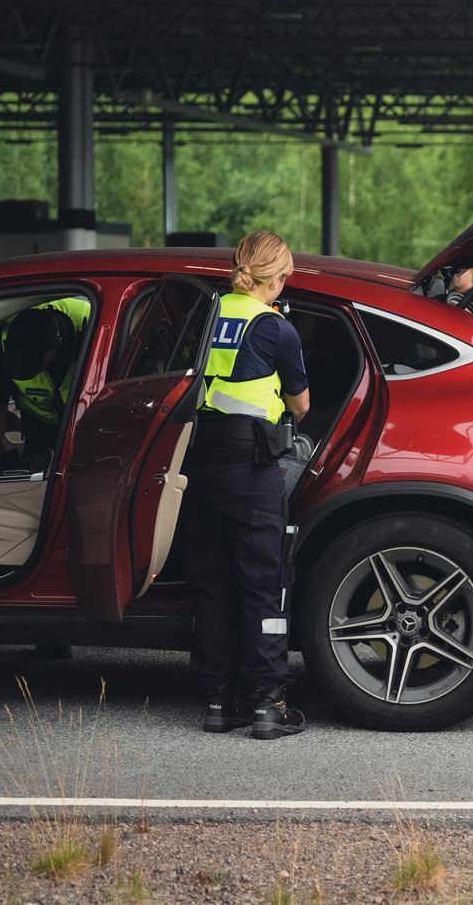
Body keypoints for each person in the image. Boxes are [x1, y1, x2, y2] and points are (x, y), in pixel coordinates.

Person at [177, 230, 311, 739]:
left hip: (197, 462)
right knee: (263, 586)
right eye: (286, 277)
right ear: (276, 278)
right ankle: (266, 704)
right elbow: (300, 406)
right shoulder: (276, 328)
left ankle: (216, 701)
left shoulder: (206, 316)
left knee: (212, 586)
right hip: (250, 466)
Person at [0, 296, 92, 466]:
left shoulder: (91, 324)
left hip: (87, 427)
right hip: (38, 425)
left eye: (33, 365)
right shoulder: (1, 340)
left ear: (57, 344)